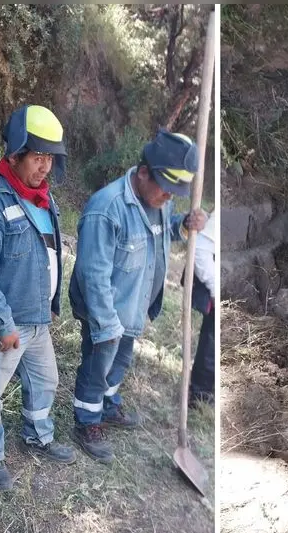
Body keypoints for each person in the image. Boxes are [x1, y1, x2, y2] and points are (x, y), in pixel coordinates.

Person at [68, 130, 208, 464]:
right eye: (166, 188)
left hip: (133, 306)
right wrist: (107, 325)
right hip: (106, 311)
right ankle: (86, 420)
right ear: (143, 172)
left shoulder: (158, 199)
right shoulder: (107, 208)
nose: (169, 197)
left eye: (176, 192)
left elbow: (162, 233)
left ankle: (108, 403)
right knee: (97, 365)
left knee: (120, 363)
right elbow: (93, 275)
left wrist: (184, 225)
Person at [0, 105, 77, 491]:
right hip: (6, 324)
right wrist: (3, 324)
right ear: (15, 155)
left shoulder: (43, 200)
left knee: (46, 381)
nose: (45, 166)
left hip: (37, 319)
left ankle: (38, 435)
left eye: (49, 158)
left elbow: (48, 256)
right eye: (37, 157)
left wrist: (50, 304)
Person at [188, 208, 218, 406]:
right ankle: (201, 393)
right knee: (211, 342)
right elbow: (199, 249)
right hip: (217, 286)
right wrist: (216, 288)